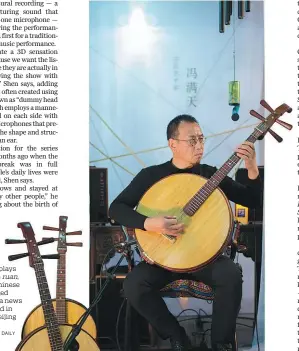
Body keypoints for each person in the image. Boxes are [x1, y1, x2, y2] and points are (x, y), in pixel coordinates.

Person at [109, 115, 262, 351]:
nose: (199, 145)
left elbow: (252, 200)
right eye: (192, 140)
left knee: (230, 274)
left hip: (204, 258)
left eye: (202, 139)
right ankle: (178, 337)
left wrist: (252, 168)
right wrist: (150, 223)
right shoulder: (151, 176)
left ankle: (221, 345)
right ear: (173, 144)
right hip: (165, 259)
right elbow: (116, 209)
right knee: (133, 284)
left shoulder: (212, 175)